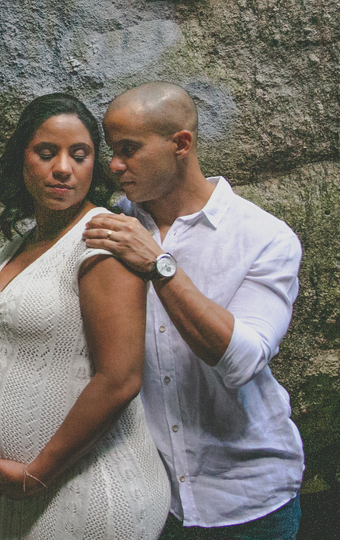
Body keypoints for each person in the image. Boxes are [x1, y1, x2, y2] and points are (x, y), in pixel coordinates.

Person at [82, 82, 304, 540]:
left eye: (129, 149)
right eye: (111, 150)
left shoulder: (265, 237)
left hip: (249, 504)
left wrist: (158, 266)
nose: (114, 165)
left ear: (180, 144)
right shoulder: (109, 225)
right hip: (152, 501)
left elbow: (244, 359)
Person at [0, 93, 170, 540]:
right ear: (22, 159)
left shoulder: (103, 240)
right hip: (4, 493)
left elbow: (120, 379)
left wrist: (38, 473)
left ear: (95, 165)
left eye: (80, 154)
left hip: (81, 490)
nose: (63, 169)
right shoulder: (19, 245)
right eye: (46, 152)